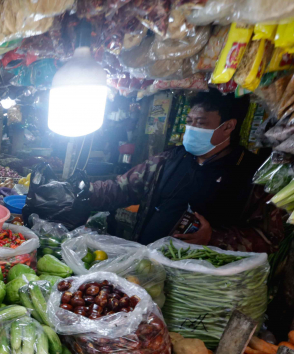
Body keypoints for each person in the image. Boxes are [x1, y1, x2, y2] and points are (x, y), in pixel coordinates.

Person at [87, 90, 283, 252]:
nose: (191, 128)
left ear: (229, 126)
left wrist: (214, 237)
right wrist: (85, 192)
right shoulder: (170, 158)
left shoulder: (254, 173)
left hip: (199, 285)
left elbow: (270, 237)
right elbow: (123, 187)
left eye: (200, 123)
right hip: (149, 263)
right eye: (189, 121)